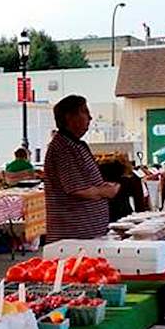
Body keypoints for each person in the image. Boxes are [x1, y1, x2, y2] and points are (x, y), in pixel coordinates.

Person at [43, 95, 117, 244]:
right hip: (73, 237)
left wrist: (102, 187)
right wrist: (106, 191)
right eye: (84, 112)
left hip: (87, 235)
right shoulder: (63, 147)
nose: (90, 117)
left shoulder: (75, 144)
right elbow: (77, 189)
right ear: (69, 117)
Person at [99, 156, 150, 222]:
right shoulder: (131, 180)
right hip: (125, 217)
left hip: (102, 218)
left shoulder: (98, 184)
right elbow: (139, 205)